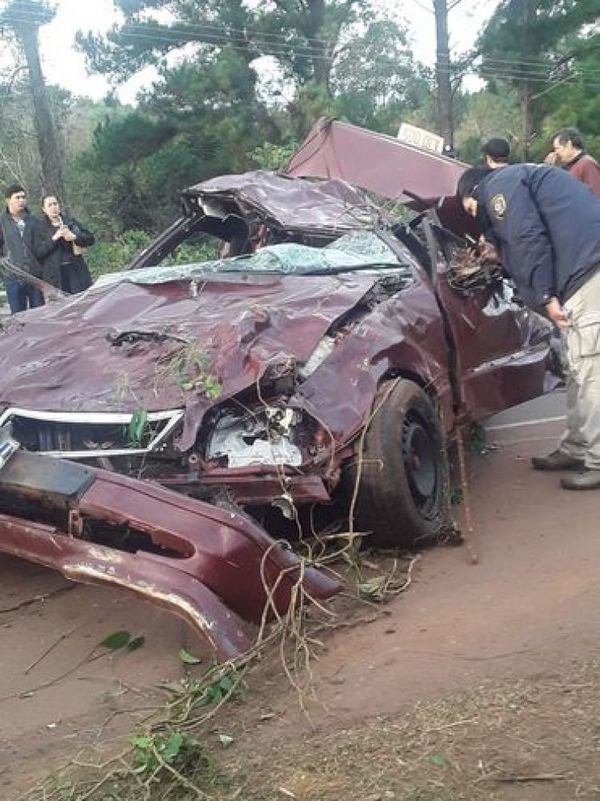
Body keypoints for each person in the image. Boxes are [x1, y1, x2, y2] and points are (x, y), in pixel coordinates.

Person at [457, 163, 600, 490]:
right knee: (577, 368)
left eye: (469, 207)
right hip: (584, 267)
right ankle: (578, 448)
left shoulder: (498, 187)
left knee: (590, 369)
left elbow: (525, 236)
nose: (475, 215)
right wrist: (498, 252)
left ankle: (597, 459)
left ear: (473, 191)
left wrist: (546, 295)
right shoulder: (523, 178)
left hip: (586, 271)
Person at [33, 195, 94, 294]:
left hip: (76, 270)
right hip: (55, 276)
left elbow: (90, 239)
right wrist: (54, 239)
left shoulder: (70, 221)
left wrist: (74, 237)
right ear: (44, 209)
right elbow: (38, 253)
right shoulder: (39, 228)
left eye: (55, 204)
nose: (53, 207)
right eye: (49, 205)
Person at [0, 184, 44, 313]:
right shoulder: (2, 223)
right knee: (18, 319)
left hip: (35, 276)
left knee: (40, 315)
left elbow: (41, 248)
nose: (21, 200)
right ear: (8, 200)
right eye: (17, 197)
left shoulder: (34, 221)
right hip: (13, 277)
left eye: (23, 197)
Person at [546, 127, 600, 199]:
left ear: (569, 144)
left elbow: (596, 197)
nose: (556, 153)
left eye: (557, 148)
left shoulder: (587, 164)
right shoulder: (569, 166)